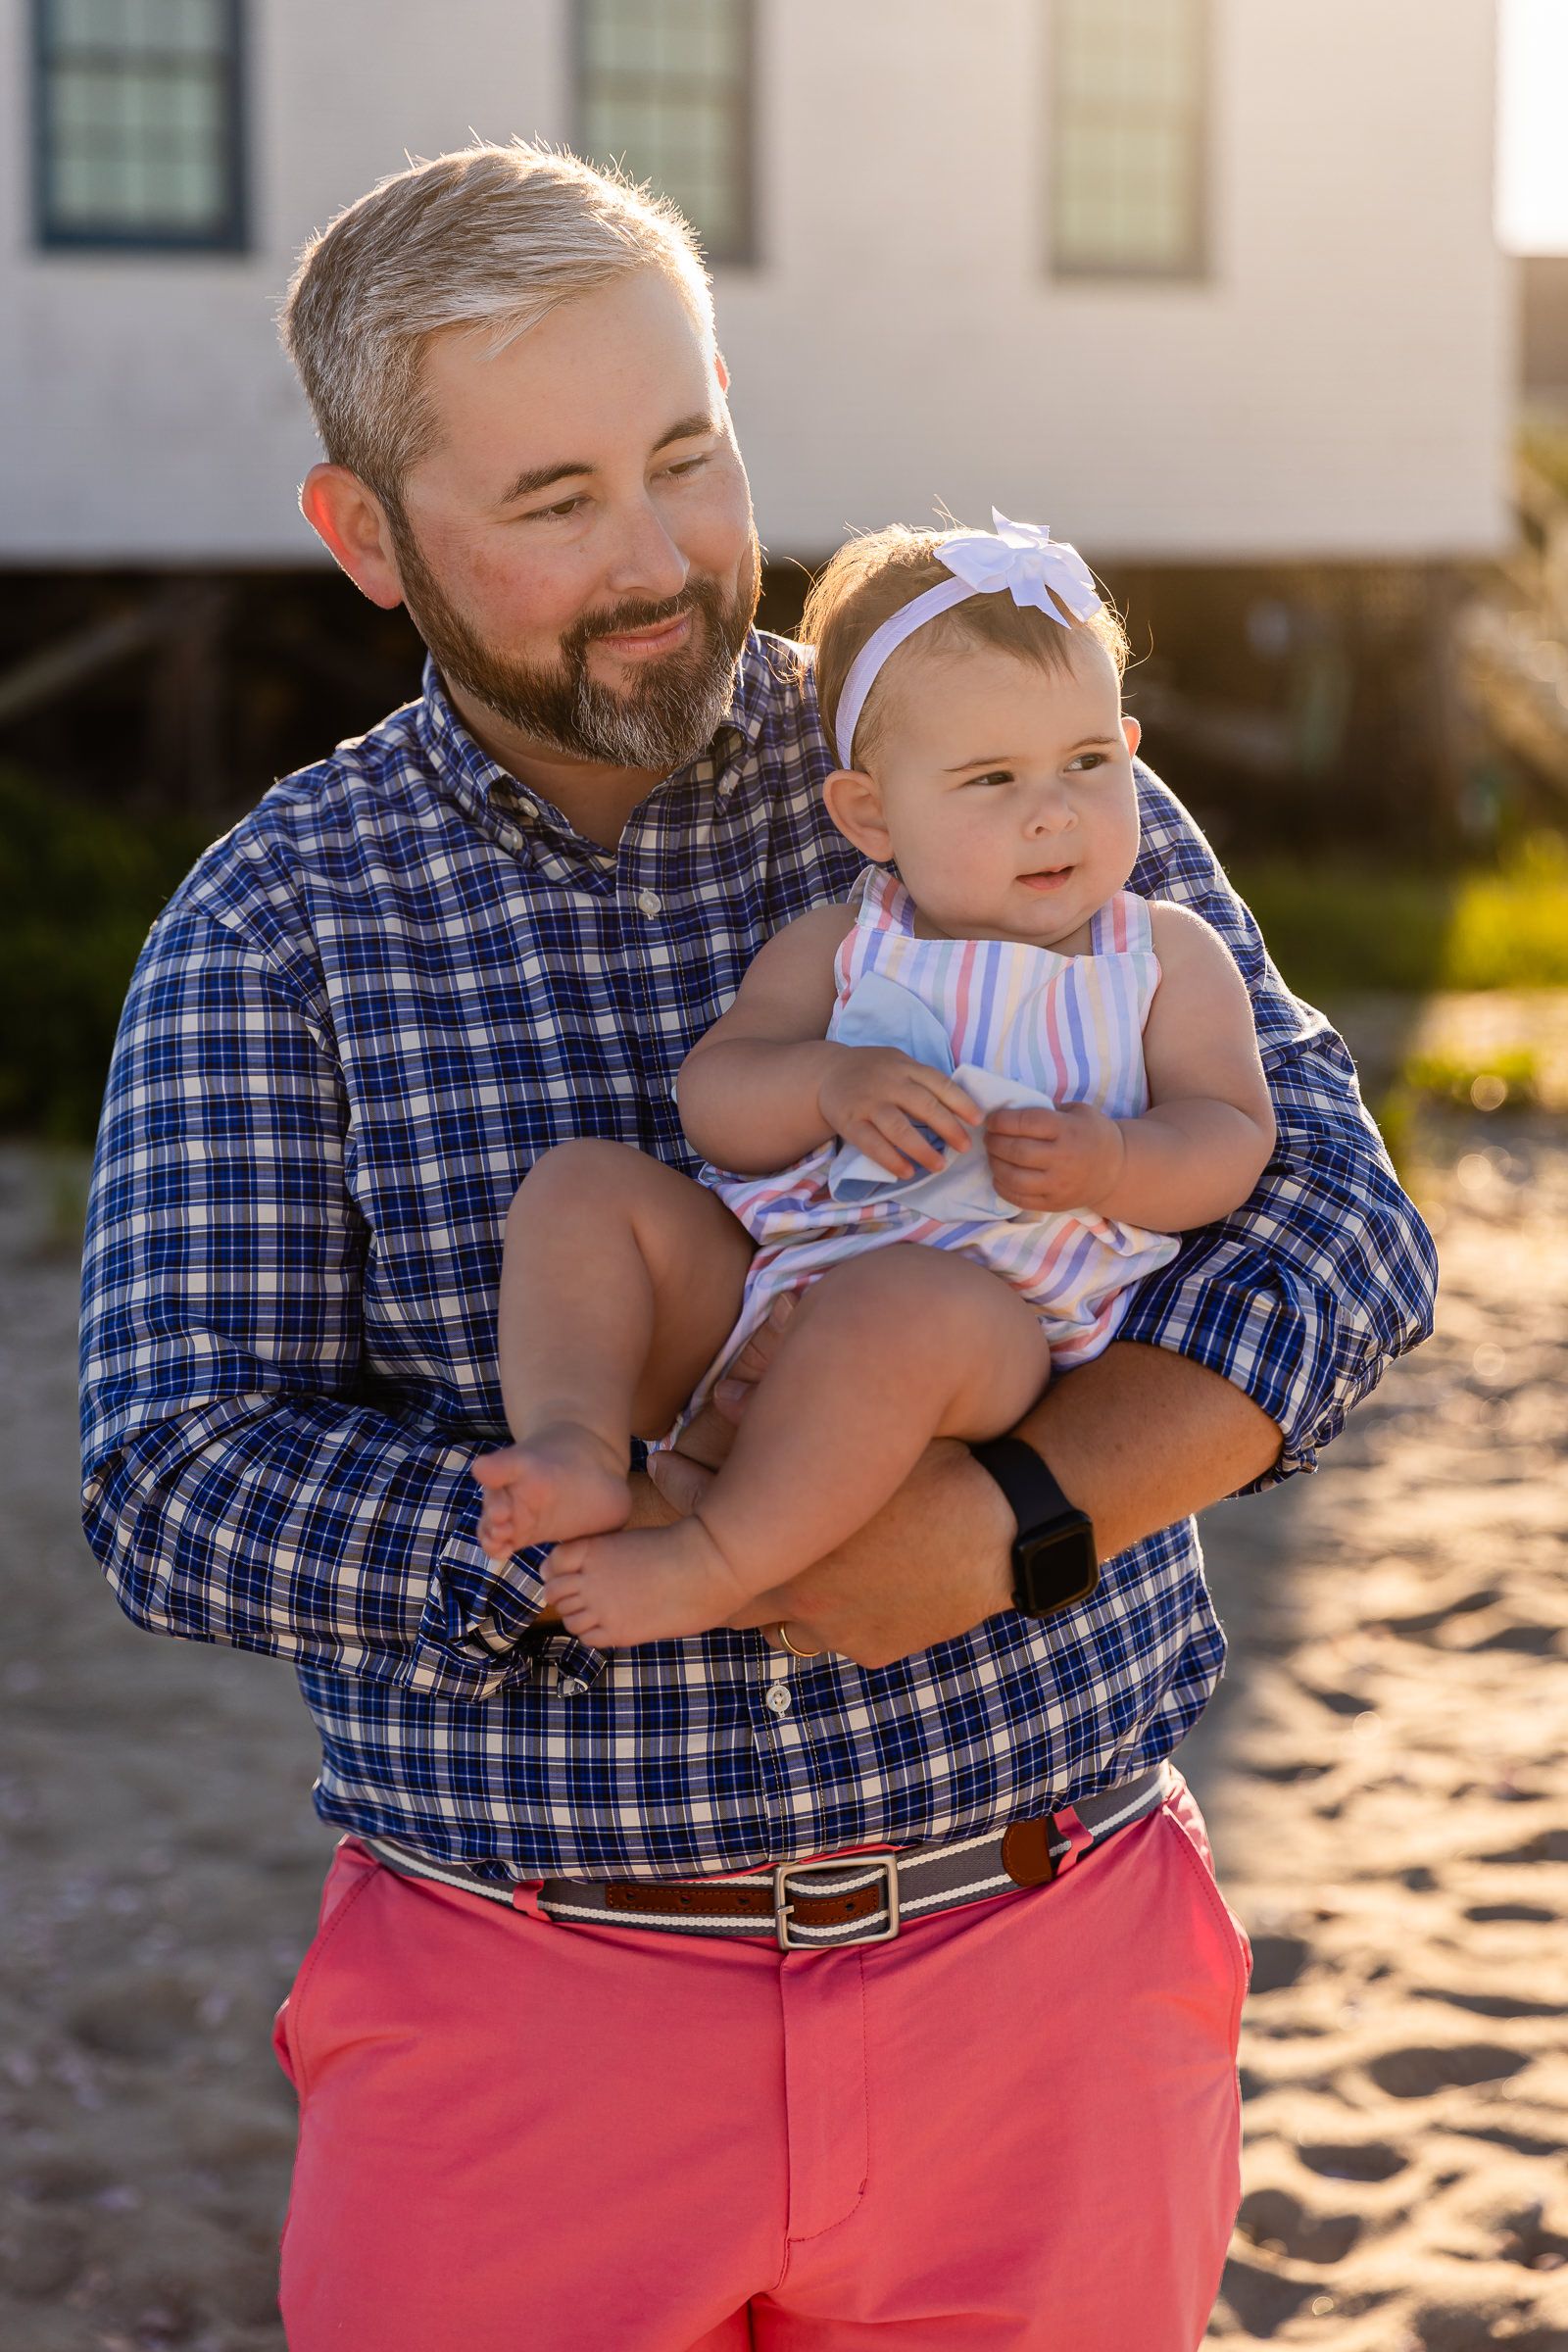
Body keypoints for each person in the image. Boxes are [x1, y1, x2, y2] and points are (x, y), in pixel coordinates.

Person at [77, 143, 1437, 2351]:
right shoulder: (274, 926)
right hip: (529, 2008)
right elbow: (171, 1477)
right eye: (550, 502)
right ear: (366, 536)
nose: (656, 561)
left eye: (687, 458)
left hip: (1048, 1966)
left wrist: (1010, 1520)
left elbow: (1336, 1237)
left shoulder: (978, 750)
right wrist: (580, 1539)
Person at [474, 517, 1277, 1647]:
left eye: (1086, 764)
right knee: (578, 1188)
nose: (1050, 811)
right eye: (990, 778)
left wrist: (1115, 1161)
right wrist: (827, 1085)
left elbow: (1234, 1135)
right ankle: (575, 1442)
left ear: (1129, 751)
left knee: (898, 1307)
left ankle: (713, 1559)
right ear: (871, 815)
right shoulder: (846, 943)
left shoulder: (1156, 955)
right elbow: (717, 1097)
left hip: (992, 1316)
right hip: (776, 1276)